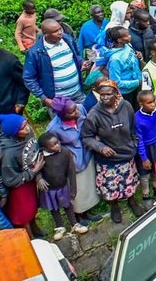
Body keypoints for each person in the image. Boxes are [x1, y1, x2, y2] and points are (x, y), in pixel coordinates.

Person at [81, 80, 143, 223]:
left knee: (129, 182)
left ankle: (131, 201)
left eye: (109, 94)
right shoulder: (94, 114)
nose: (105, 98)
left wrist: (134, 144)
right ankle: (114, 206)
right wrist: (100, 147)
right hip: (108, 159)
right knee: (111, 187)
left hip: (127, 154)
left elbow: (134, 128)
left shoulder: (126, 106)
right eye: (102, 95)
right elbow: (86, 137)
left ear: (116, 93)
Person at [45, 97, 102, 226]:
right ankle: (79, 216)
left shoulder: (80, 109)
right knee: (78, 190)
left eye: (75, 108)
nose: (76, 112)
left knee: (88, 186)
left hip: (87, 154)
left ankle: (88, 211)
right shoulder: (54, 128)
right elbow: (53, 148)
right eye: (71, 112)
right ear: (62, 115)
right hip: (73, 162)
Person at [0, 114, 42, 236]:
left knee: (33, 207)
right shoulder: (8, 153)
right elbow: (10, 179)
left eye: (26, 124)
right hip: (19, 186)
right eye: (22, 128)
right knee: (23, 214)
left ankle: (35, 226)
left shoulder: (28, 132)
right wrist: (33, 171)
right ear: (14, 133)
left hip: (30, 179)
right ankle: (30, 238)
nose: (27, 128)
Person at [36, 132, 88, 240]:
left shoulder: (65, 153)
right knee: (54, 208)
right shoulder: (40, 156)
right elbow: (37, 169)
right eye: (53, 145)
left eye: (57, 142)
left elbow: (71, 171)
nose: (57, 145)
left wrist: (73, 189)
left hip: (62, 186)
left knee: (68, 205)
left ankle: (75, 224)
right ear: (45, 148)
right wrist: (39, 178)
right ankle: (60, 227)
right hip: (49, 189)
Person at [23, 19, 85, 108]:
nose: (60, 32)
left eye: (60, 29)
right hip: (57, 99)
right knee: (62, 122)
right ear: (45, 33)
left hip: (77, 92)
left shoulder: (67, 39)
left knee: (82, 118)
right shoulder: (36, 52)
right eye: (55, 31)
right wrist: (44, 98)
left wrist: (81, 63)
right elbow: (28, 78)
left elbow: (76, 56)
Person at [134, 90, 156, 204]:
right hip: (145, 148)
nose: (153, 104)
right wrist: (144, 158)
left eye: (153, 101)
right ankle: (145, 195)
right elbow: (139, 140)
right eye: (149, 103)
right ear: (141, 104)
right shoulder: (138, 118)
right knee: (145, 173)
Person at [106, 26, 142, 108]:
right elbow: (116, 82)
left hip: (136, 87)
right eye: (126, 35)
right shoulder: (115, 59)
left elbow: (133, 59)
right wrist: (137, 82)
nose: (130, 36)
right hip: (126, 93)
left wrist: (138, 55)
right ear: (119, 40)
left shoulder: (128, 45)